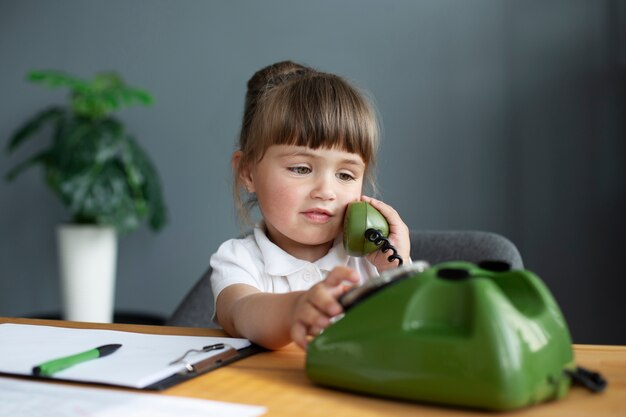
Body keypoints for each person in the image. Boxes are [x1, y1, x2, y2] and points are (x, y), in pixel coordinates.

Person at [210, 60, 410, 350]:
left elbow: (418, 337)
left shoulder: (372, 266)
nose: (326, 191)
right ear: (248, 172)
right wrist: (296, 308)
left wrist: (397, 269)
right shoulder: (238, 260)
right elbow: (242, 312)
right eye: (301, 169)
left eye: (345, 174)